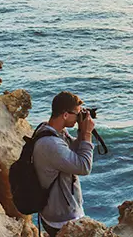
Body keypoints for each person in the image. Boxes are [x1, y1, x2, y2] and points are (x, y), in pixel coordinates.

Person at [33, 91, 95, 236]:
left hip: (59, 210)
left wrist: (81, 130)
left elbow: (73, 152)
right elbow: (83, 166)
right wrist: (87, 134)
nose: (79, 118)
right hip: (62, 218)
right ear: (65, 114)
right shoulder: (50, 143)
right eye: (77, 114)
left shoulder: (53, 132)